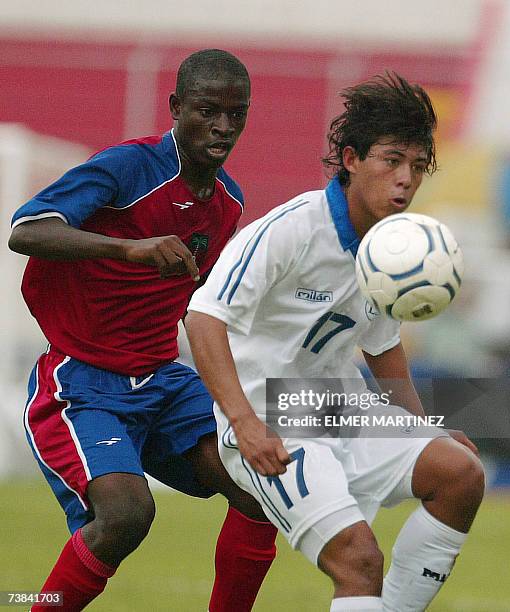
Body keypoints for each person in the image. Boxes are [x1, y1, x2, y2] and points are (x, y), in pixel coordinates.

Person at [185, 72, 485, 612]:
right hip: (269, 417)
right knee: (358, 561)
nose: (405, 180)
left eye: (417, 167)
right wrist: (244, 423)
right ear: (351, 160)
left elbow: (382, 343)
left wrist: (419, 428)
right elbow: (204, 316)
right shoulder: (292, 229)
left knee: (459, 474)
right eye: (391, 160)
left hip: (333, 409)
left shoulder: (392, 246)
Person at [8, 49, 277, 612]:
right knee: (127, 515)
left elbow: (201, 307)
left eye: (237, 114)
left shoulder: (228, 202)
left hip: (163, 381)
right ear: (176, 107)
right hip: (81, 383)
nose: (223, 127)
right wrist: (129, 248)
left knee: (261, 481)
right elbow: (28, 230)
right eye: (208, 111)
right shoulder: (128, 168)